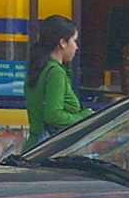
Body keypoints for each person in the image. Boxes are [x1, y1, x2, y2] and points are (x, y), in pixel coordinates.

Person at [23, 15, 93, 151]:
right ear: (62, 43)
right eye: (74, 41)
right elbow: (53, 115)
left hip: (34, 144)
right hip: (48, 148)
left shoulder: (38, 68)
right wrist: (85, 117)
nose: (76, 47)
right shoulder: (56, 73)